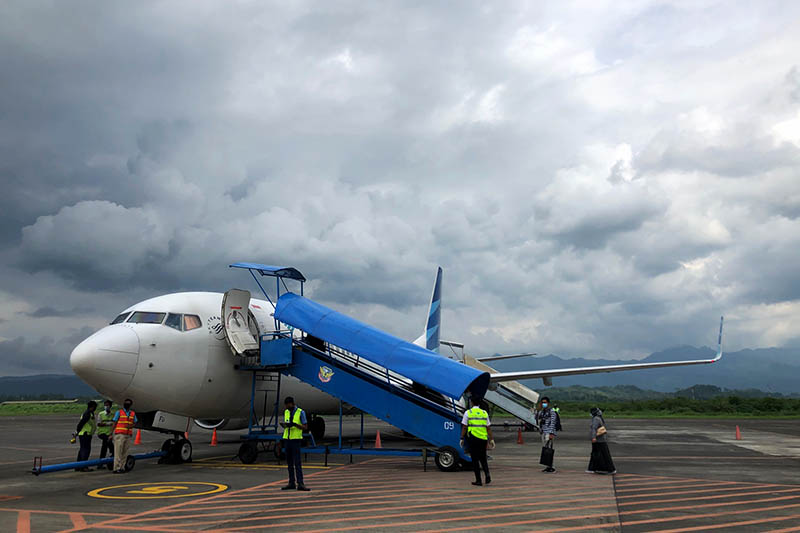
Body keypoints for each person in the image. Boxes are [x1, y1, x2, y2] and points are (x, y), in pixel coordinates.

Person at [460, 396, 495, 486]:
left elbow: (464, 427)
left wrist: (461, 438)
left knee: (475, 459)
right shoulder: (484, 413)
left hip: (473, 438)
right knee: (483, 458)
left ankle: (478, 480)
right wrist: (491, 439)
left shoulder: (468, 413)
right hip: (483, 439)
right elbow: (488, 428)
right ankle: (487, 476)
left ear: (471, 402)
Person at [281, 396, 310, 491]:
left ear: (292, 404)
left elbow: (305, 427)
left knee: (297, 463)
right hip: (287, 439)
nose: (286, 407)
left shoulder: (301, 412)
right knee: (289, 463)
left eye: (288, 405)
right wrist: (286, 425)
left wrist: (296, 425)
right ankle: (291, 482)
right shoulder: (286, 412)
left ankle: (300, 483)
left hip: (296, 440)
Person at [587, 407, 616, 474]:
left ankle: (610, 469)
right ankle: (593, 468)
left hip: (598, 440)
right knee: (598, 454)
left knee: (599, 454)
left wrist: (593, 437)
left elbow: (594, 428)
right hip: (600, 439)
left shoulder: (595, 419)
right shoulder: (599, 418)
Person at [112, 398, 137, 474]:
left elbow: (135, 422)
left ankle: (122, 467)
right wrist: (111, 433)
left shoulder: (132, 413)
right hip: (120, 434)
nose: (127, 404)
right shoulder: (119, 412)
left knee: (124, 452)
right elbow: (114, 423)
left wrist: (131, 426)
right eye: (126, 403)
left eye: (128, 403)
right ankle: (116, 468)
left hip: (128, 435)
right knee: (118, 452)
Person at [74, 400, 97, 471]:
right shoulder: (87, 414)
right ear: (92, 407)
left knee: (82, 449)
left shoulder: (90, 413)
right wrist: (77, 431)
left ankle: (78, 466)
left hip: (85, 434)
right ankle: (83, 466)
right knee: (86, 450)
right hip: (85, 434)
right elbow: (81, 423)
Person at [538, 396, 557, 472]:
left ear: (548, 403)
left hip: (549, 432)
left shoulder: (552, 411)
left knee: (549, 449)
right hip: (543, 432)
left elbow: (553, 422)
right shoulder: (541, 412)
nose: (543, 404)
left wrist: (551, 433)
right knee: (545, 450)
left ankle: (551, 466)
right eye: (542, 403)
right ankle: (547, 465)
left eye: (545, 402)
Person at [95, 399, 114, 470]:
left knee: (104, 447)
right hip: (102, 433)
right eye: (105, 405)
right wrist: (107, 423)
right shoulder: (101, 414)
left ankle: (101, 464)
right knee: (110, 444)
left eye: (108, 405)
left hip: (109, 434)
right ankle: (112, 454)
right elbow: (99, 424)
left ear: (110, 406)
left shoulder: (112, 414)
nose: (106, 406)